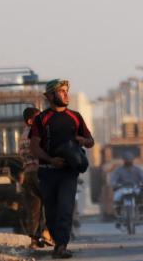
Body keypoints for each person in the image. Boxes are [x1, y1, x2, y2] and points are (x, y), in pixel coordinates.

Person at [29, 79, 94, 259]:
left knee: (65, 208)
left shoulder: (75, 117)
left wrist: (83, 141)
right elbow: (34, 147)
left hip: (68, 173)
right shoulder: (41, 119)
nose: (66, 94)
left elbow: (91, 142)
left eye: (66, 91)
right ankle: (57, 243)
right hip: (48, 171)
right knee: (51, 211)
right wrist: (50, 159)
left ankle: (61, 245)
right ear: (50, 96)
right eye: (61, 91)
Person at [19, 107, 49, 249]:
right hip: (39, 171)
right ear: (31, 121)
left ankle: (34, 239)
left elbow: (21, 154)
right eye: (38, 117)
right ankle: (48, 234)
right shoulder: (35, 133)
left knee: (34, 207)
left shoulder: (23, 133)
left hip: (28, 173)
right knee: (51, 202)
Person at [110, 152, 143, 228]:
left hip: (135, 188)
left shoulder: (137, 169)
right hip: (122, 188)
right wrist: (114, 184)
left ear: (132, 160)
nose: (128, 161)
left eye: (129, 160)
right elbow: (113, 179)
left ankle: (141, 214)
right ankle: (119, 216)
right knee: (116, 199)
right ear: (124, 160)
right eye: (126, 160)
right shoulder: (119, 170)